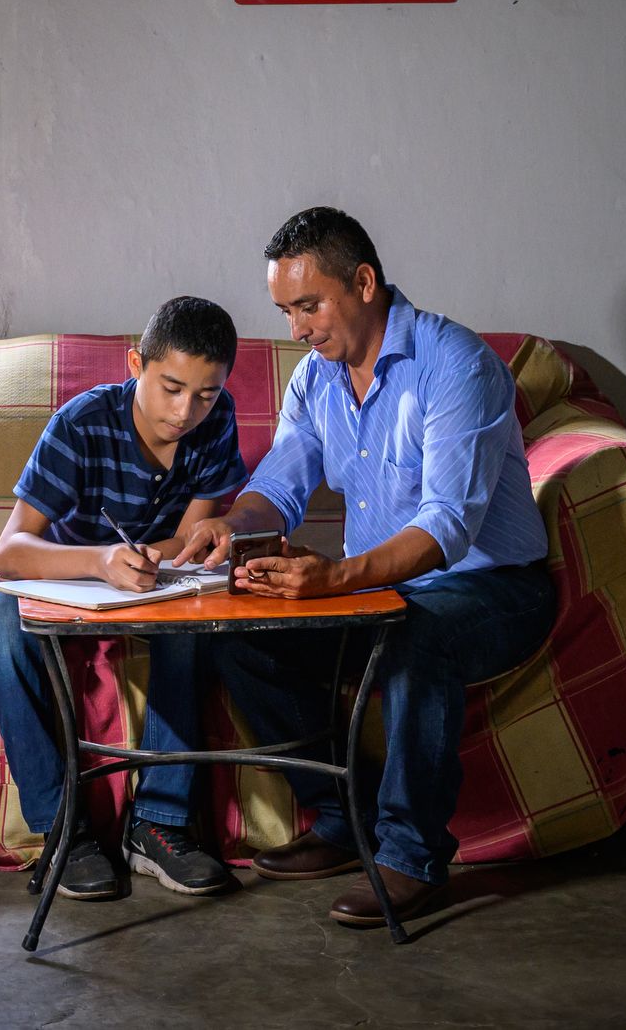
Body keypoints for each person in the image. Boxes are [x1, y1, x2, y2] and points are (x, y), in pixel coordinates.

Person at [169, 208, 555, 928]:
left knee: (417, 631)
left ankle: (411, 856)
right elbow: (278, 488)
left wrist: (338, 579)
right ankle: (345, 822)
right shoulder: (315, 382)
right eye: (286, 311)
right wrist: (231, 523)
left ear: (365, 282)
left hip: (493, 590)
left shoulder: (457, 364)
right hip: (380, 594)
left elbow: (446, 527)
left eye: (309, 306)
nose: (296, 330)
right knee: (235, 629)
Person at [0, 297, 252, 901]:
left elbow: (191, 536)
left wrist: (161, 557)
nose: (186, 411)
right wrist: (99, 561)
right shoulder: (81, 422)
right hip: (65, 580)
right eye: (171, 387)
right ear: (135, 364)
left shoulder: (216, 419)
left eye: (204, 394)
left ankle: (160, 824)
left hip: (154, 584)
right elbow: (10, 551)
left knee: (200, 620)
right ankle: (64, 829)